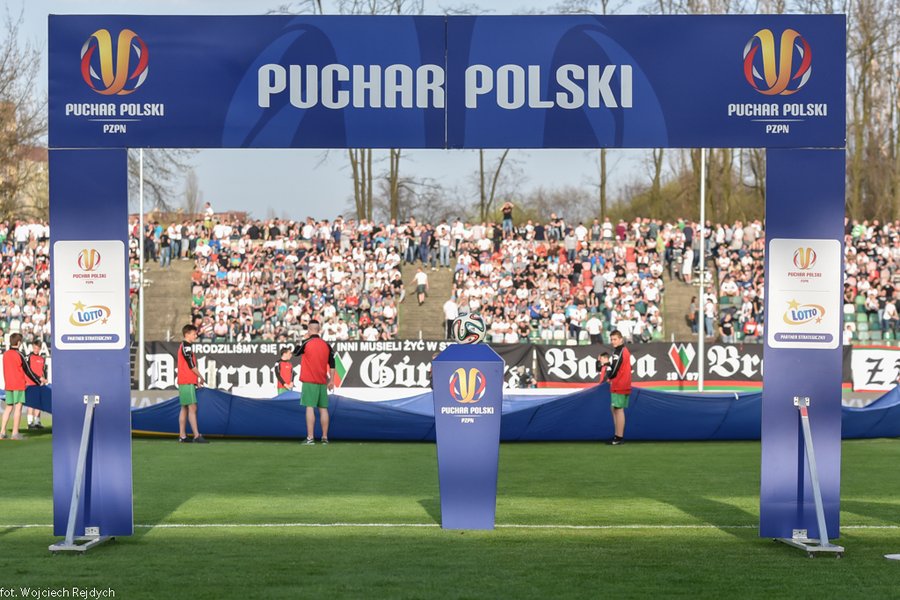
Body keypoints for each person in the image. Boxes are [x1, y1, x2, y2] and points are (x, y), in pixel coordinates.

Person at [293, 319, 335, 445]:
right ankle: (325, 437)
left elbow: (295, 353)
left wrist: (300, 340)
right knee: (323, 409)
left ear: (309, 330)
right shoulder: (326, 345)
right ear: (319, 330)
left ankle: (310, 438)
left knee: (310, 407)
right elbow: (333, 364)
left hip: (309, 381)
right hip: (322, 381)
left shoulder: (306, 342)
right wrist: (331, 380)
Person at [2, 333, 45, 440]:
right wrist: (38, 381)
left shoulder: (5, 354)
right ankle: (15, 433)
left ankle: (2, 432)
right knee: (18, 408)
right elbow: (28, 371)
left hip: (8, 384)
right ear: (19, 342)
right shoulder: (20, 354)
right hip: (18, 384)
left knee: (8, 407)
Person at [177, 324, 209, 443]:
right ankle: (196, 435)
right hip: (187, 381)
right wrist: (200, 377)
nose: (195, 336)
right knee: (192, 407)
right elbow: (191, 365)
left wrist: (196, 381)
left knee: (185, 408)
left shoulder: (185, 346)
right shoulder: (186, 346)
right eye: (194, 334)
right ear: (187, 334)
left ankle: (182, 436)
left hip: (185, 380)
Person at [606, 329, 632, 445]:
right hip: (623, 382)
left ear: (621, 339)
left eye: (615, 339)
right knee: (614, 408)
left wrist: (609, 377)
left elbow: (615, 368)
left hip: (619, 383)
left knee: (618, 409)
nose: (613, 341)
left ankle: (618, 437)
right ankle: (617, 435)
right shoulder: (624, 350)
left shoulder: (619, 351)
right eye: (611, 339)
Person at [27, 340, 46, 430]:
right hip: (30, 383)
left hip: (39, 384)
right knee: (31, 403)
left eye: (38, 348)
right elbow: (28, 371)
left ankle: (37, 422)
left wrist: (44, 379)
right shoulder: (29, 357)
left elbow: (42, 371)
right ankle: (30, 422)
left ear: (40, 348)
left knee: (38, 403)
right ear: (32, 347)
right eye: (35, 348)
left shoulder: (42, 359)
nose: (36, 350)